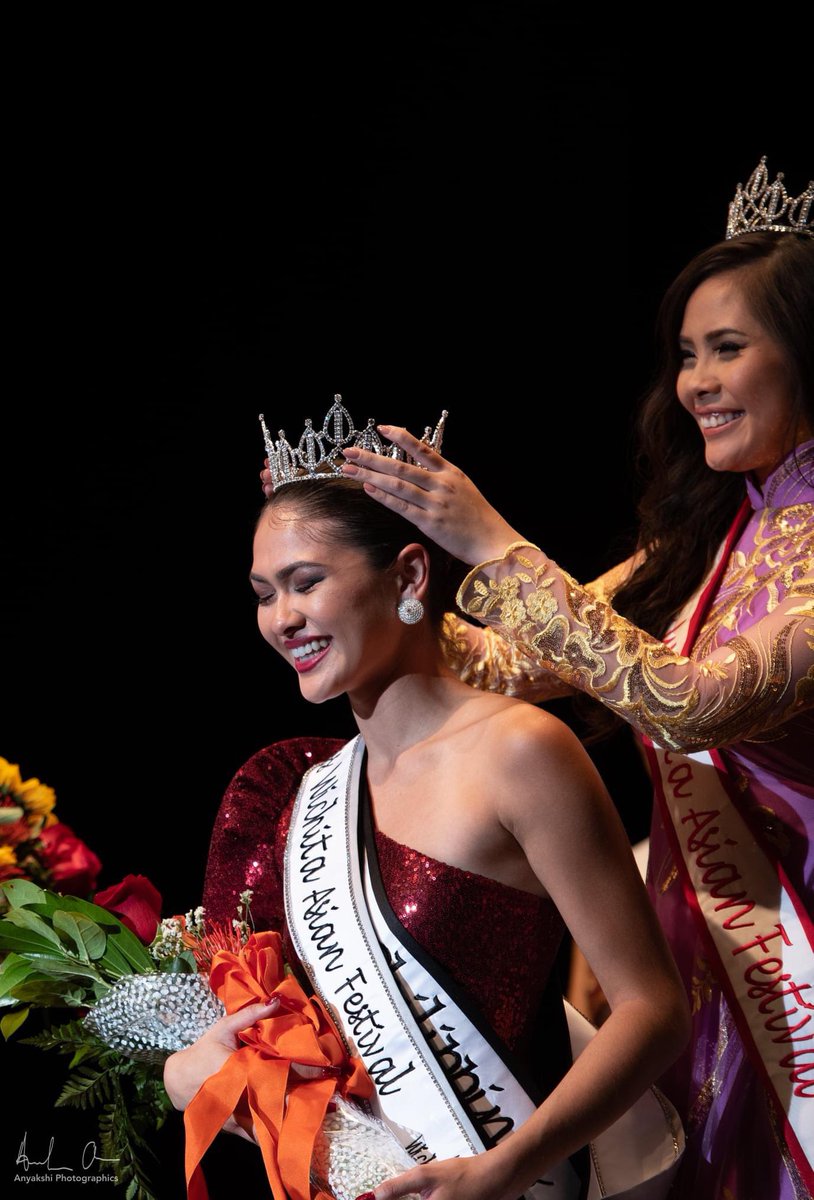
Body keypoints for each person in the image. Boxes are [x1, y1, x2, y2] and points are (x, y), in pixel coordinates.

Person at [323, 158, 814, 1199]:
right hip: (702, 965)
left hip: (798, 971)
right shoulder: (708, 539)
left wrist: (493, 541)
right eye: (686, 355)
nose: (695, 384)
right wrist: (357, 589)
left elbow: (691, 705)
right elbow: (510, 662)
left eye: (728, 349)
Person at [164, 413, 690, 1200]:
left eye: (307, 582)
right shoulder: (308, 795)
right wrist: (196, 1065)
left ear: (409, 578)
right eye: (264, 594)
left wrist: (504, 1168)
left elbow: (654, 1011)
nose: (283, 619)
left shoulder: (520, 751)